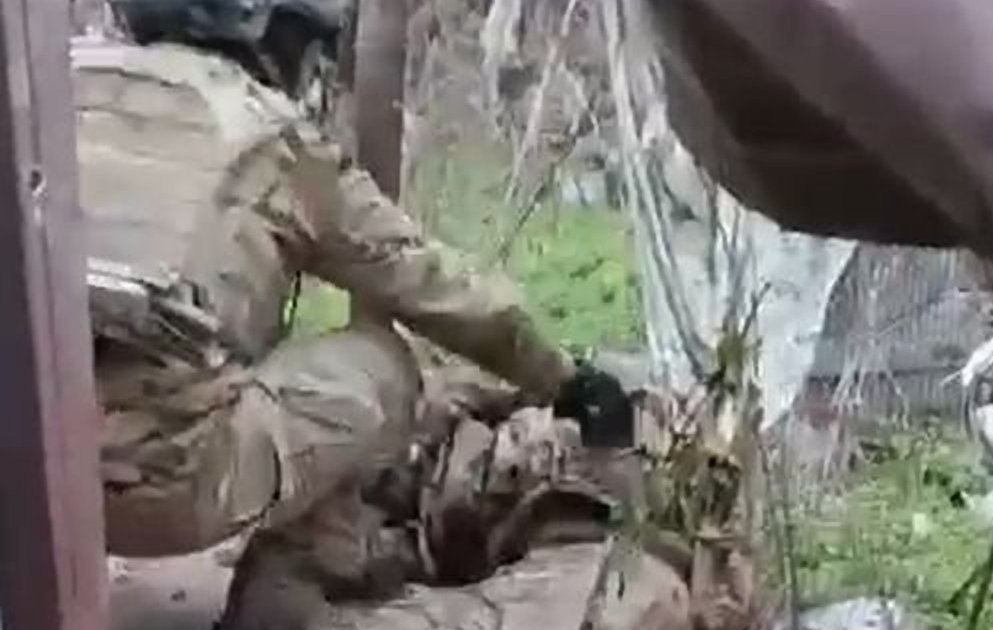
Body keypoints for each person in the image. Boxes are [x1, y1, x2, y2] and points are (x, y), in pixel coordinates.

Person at [76, 38, 633, 628]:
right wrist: (566, 380)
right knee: (384, 364)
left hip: (28, 487)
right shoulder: (269, 138)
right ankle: (303, 580)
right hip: (153, 489)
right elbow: (428, 285)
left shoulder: (57, 79)